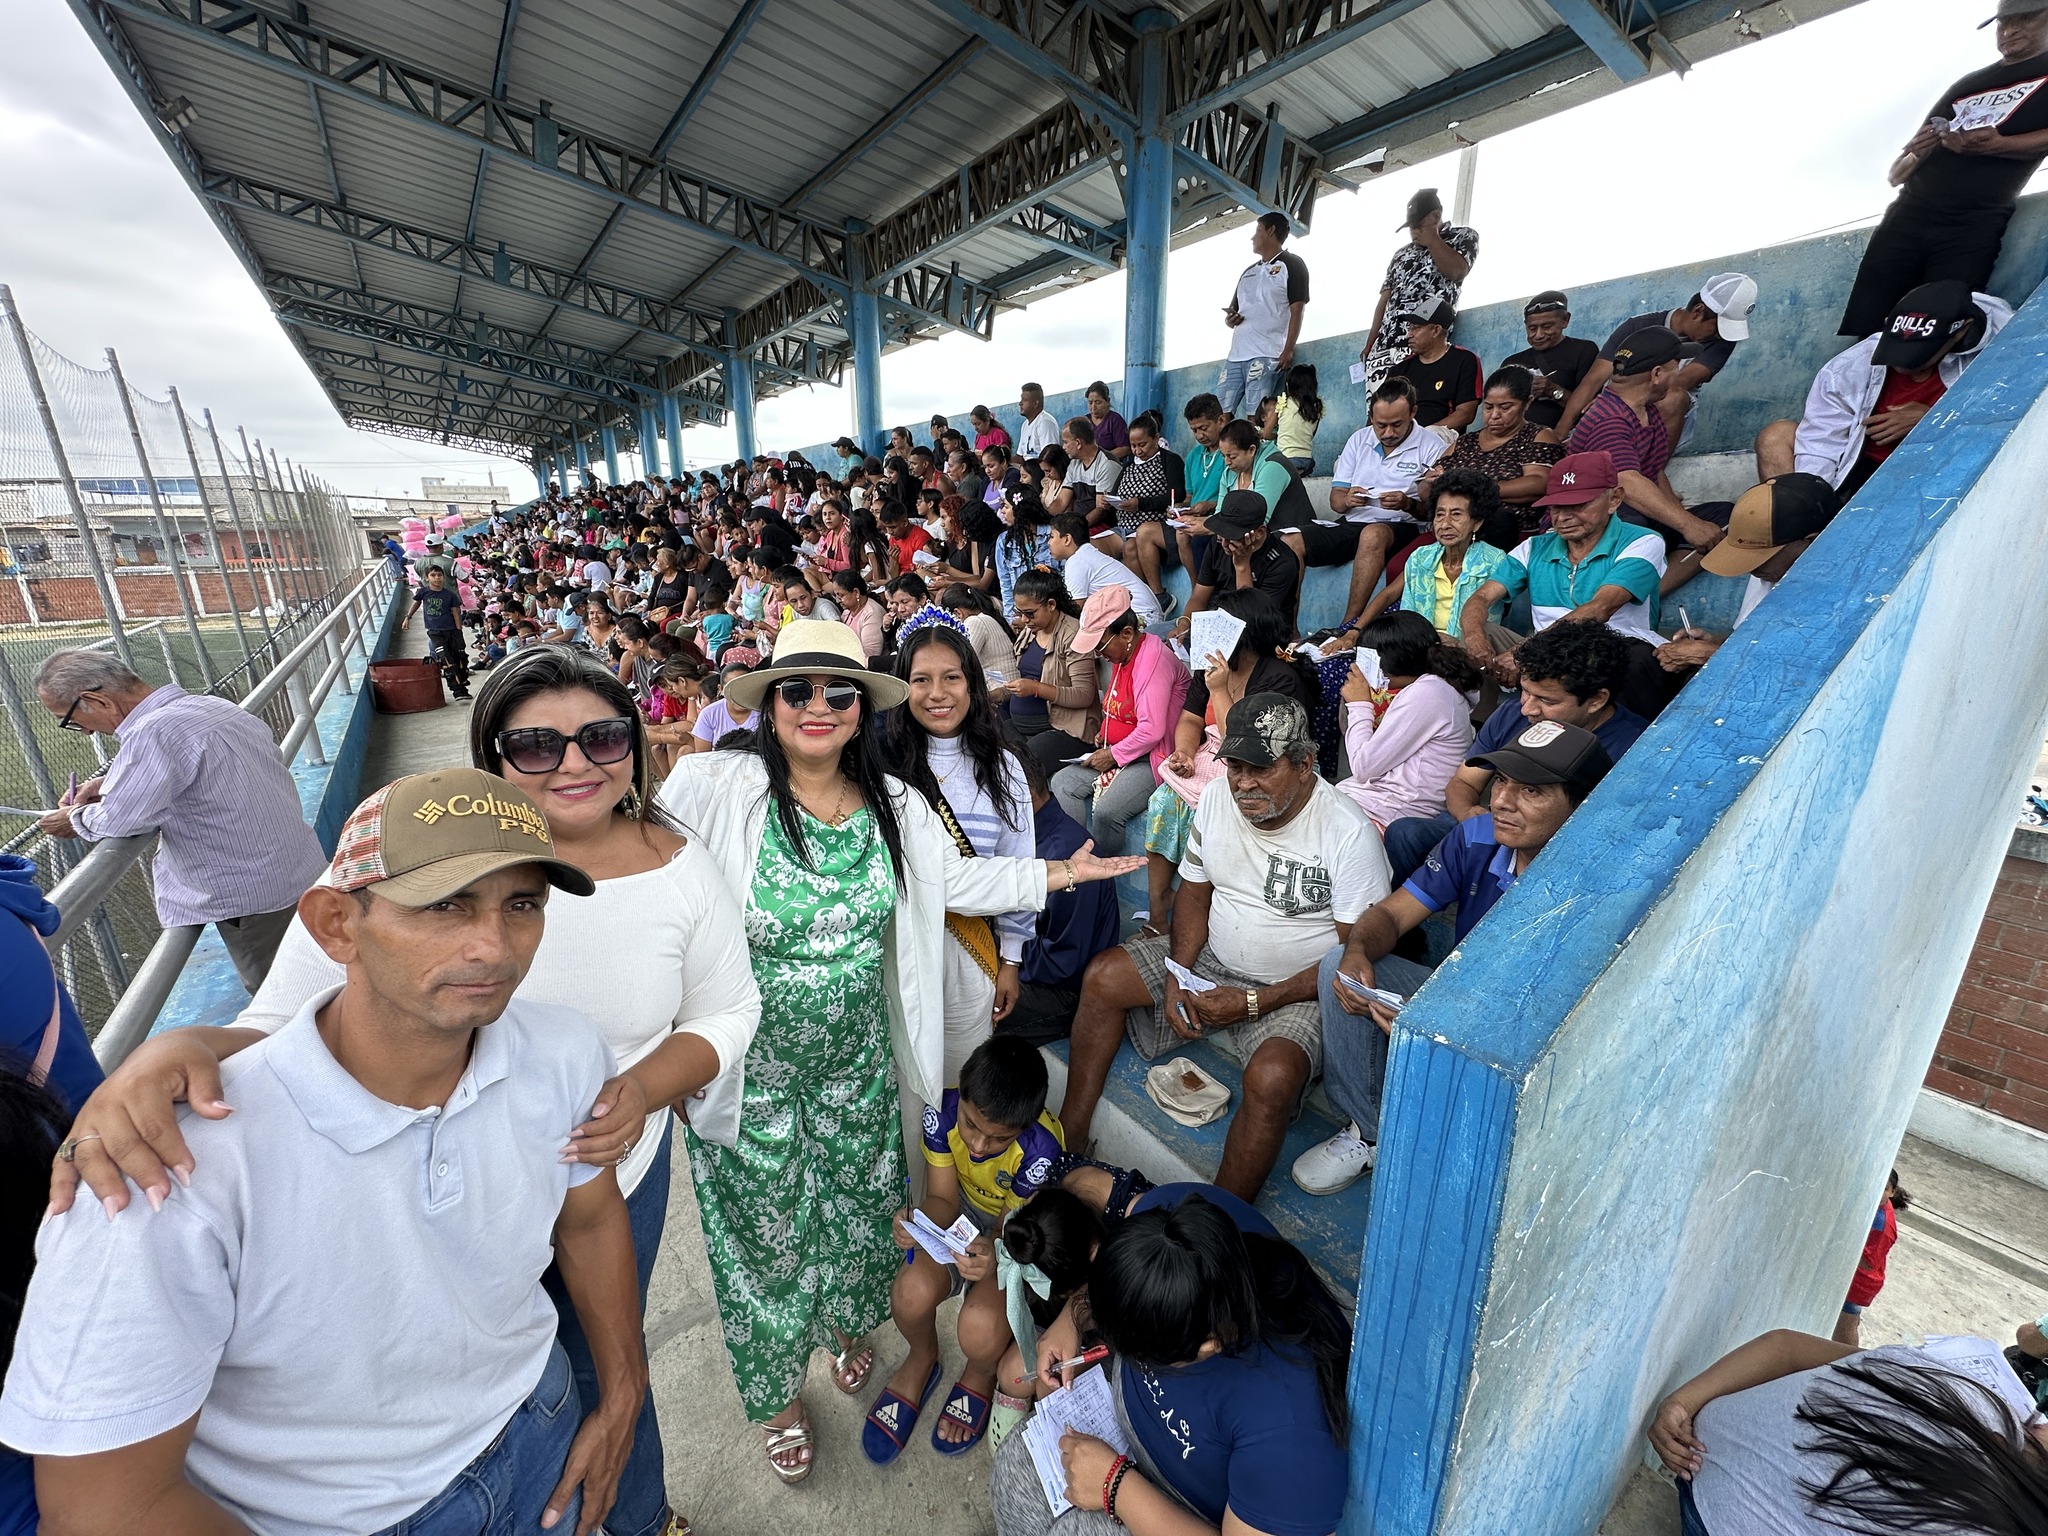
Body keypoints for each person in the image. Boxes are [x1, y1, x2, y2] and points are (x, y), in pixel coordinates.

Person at [56, 648, 759, 1536]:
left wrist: (632, 1091)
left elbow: (728, 1006)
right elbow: (280, 1017)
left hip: (609, 1163)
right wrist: (176, 1050)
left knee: (604, 1363)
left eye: (603, 737)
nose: (575, 763)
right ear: (492, 757)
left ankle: (639, 1514)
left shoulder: (676, 867)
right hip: (434, 1180)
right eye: (536, 745)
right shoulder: (396, 859)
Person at [2, 770, 647, 1536]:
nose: (493, 947)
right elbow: (106, 1508)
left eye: (522, 905)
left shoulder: (564, 1051)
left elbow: (588, 1217)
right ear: (336, 924)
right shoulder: (167, 1168)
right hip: (338, 1517)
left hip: (540, 1426)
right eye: (444, 904)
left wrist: (624, 1392)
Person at [655, 621, 1140, 1482]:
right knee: (763, 1240)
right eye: (797, 690)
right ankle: (779, 1396)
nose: (818, 706)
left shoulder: (895, 803)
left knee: (852, 1218)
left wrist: (1060, 874)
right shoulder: (711, 786)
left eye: (839, 691)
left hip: (857, 1065)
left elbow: (960, 881)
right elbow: (651, 896)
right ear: (768, 703)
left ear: (861, 706)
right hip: (748, 1072)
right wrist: (660, 1047)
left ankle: (842, 1329)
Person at [1060, 694, 1389, 1201]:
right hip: (1213, 957)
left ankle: (1218, 1217)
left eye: (1261, 768)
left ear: (1304, 764)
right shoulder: (1216, 798)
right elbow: (1194, 892)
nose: (1243, 783)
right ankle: (1070, 1140)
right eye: (1235, 766)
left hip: (1296, 988)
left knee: (1274, 1076)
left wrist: (1256, 1001)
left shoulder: (1348, 833)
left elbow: (1350, 960)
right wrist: (1177, 973)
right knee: (1103, 978)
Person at [1293, 721, 1612, 1194]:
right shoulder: (1477, 836)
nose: (1502, 801)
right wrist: (1358, 950)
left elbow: (1559, 1020)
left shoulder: (1600, 885)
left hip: (1536, 1037)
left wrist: (1441, 1024)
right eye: (1501, 781)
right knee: (1339, 963)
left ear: (1583, 804)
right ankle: (1371, 1130)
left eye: (1531, 791)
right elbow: (1392, 914)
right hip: (1459, 996)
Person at [989, 1185, 1352, 1536]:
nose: (1128, 1359)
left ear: (1210, 1344)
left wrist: (1116, 1486)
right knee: (1013, 1472)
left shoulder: (1290, 1434)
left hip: (1179, 1506)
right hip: (1119, 1435)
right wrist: (1072, 1318)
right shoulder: (1171, 1222)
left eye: (1142, 1355)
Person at [31, 650, 328, 994]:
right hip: (298, 870)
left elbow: (120, 818)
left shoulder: (152, 733)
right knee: (323, 972)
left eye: (71, 720)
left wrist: (72, 818)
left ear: (98, 701)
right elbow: (193, 770)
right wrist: (111, 782)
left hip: (253, 898)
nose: (83, 732)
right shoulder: (212, 707)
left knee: (287, 995)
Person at [869, 1036, 1066, 1464]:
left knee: (980, 1328)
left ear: (1025, 1128)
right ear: (961, 1090)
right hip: (958, 1211)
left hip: (1014, 1234)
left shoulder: (1041, 1150)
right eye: (971, 1125)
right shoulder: (942, 1111)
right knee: (908, 1293)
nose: (977, 1146)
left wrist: (994, 1256)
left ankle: (979, 1372)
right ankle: (922, 1356)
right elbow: (942, 1198)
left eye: (998, 1139)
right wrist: (917, 1222)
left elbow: (1011, 1231)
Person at [1649, 1329, 2047, 1535]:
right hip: (1711, 1505)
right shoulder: (1970, 1402)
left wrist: (1682, 1403)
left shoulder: (1969, 1393)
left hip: (1704, 1454)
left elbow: (1785, 1346)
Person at [1840, 0, 2048, 341]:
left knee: (1942, 329)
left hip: (1972, 224)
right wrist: (1917, 153)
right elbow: (1895, 174)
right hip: (1906, 217)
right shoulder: (1969, 83)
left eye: (2024, 19)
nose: (2009, 30)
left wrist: (2000, 145)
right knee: (1872, 329)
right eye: (2002, 23)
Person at [889, 613, 1040, 1080]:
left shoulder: (1004, 769)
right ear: (903, 687)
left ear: (972, 683)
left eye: (951, 677)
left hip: (970, 955)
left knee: (956, 1077)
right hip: (895, 951)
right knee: (900, 1079)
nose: (937, 693)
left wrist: (1011, 960)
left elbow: (1017, 863)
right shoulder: (881, 764)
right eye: (921, 679)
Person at [1381, 617, 1645, 882]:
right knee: (1406, 833)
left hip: (1555, 851)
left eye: (1546, 700)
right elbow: (1464, 782)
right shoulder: (1511, 715)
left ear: (1596, 700)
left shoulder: (1635, 749)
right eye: (1525, 691)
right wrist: (1468, 813)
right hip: (1496, 826)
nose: (1527, 709)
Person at [1142, 590, 1312, 931]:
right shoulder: (1212, 666)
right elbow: (1190, 719)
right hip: (1213, 756)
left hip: (1264, 763)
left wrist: (1219, 690)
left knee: (1216, 810)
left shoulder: (1278, 677)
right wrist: (1184, 752)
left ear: (1243, 635)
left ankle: (1209, 907)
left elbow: (1244, 743)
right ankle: (1158, 910)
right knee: (1162, 800)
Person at [1461, 454, 1679, 718]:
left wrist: (1524, 653)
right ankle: (1481, 723)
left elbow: (1600, 609)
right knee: (1475, 635)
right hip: (1543, 649)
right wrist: (1475, 639)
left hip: (1610, 647)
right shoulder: (1534, 547)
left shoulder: (1643, 541)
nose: (1563, 517)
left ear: (1614, 499)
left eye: (1578, 505)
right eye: (1556, 507)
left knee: (1630, 659)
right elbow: (1481, 598)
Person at [1757, 281, 2013, 501]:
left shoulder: (2002, 353)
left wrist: (1933, 417)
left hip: (1933, 471)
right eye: (1896, 353)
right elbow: (1822, 441)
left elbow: (2007, 421)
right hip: (1859, 470)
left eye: (1917, 359)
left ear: (1961, 332)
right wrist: (1812, 503)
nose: (1902, 366)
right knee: (1776, 435)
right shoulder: (1849, 368)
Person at [1565, 327, 1731, 562]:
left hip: (1628, 510)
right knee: (1630, 520)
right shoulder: (1610, 419)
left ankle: (1657, 583)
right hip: (1589, 522)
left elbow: (1654, 472)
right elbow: (1626, 480)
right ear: (1657, 374)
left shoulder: (1648, 411)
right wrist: (1687, 525)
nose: (1678, 373)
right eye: (1676, 365)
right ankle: (1622, 583)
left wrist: (1683, 518)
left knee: (1721, 517)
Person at [1050, 586, 1189, 857]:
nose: (1099, 653)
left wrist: (1112, 755)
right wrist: (1105, 731)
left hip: (1154, 757)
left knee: (1107, 812)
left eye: (1100, 645)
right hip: (1121, 751)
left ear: (1126, 633)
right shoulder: (1123, 653)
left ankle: (1101, 866)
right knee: (1063, 783)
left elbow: (1152, 730)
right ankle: (1077, 858)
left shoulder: (1152, 660)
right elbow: (1116, 702)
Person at [1655, 474, 1843, 673]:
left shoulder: (1839, 590)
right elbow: (1755, 641)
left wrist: (1709, 654)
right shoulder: (1770, 573)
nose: (1752, 569)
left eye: (1762, 557)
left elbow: (1805, 666)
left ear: (1811, 542)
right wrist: (1715, 643)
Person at [1001, 754, 1123, 1047]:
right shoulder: (1021, 835)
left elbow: (1061, 964)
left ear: (1024, 795)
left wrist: (1000, 953)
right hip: (1021, 962)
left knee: (962, 1001)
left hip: (1058, 993)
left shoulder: (1067, 854)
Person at [1558, 277, 1759, 452]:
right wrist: (1560, 433)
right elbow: (1593, 381)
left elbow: (1679, 381)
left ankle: (1651, 470)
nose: (1720, 335)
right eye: (1717, 328)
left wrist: (1614, 401)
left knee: (1673, 396)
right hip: (1618, 410)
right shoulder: (1637, 327)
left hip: (1661, 412)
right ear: (1698, 312)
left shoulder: (1722, 342)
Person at [1330, 612, 1479, 832]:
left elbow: (1363, 767)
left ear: (1389, 664)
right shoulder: (1434, 686)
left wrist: (1359, 704)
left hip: (1393, 810)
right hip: (1381, 799)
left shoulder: (1428, 693)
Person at [1323, 379, 1450, 633]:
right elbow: (1335, 500)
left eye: (1396, 424)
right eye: (1380, 425)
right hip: (1353, 520)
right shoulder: (1359, 439)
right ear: (1371, 417)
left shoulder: (1433, 446)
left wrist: (1407, 503)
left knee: (1373, 534)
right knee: (1290, 540)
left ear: (1413, 412)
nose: (1388, 432)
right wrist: (1347, 500)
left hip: (1401, 526)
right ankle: (1286, 633)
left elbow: (1435, 511)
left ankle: (1348, 624)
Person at [1344, 468, 1518, 649]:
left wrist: (1455, 644)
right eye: (1440, 514)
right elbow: (1389, 594)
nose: (1445, 524)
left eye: (1456, 514)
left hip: (1468, 652)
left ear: (1477, 522)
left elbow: (1487, 623)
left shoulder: (1493, 561)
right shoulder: (1422, 557)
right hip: (1418, 647)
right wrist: (1354, 631)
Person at [1420, 364, 1567, 549]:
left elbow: (1539, 483)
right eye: (1488, 407)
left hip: (1508, 535)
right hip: (1450, 531)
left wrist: (1474, 490)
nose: (1495, 415)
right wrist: (1428, 482)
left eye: (1505, 407)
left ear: (1527, 403)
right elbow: (1426, 491)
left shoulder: (1537, 436)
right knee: (1402, 562)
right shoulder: (1465, 442)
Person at [1362, 187, 1479, 390]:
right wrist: (1371, 343)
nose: (1413, 232)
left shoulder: (1463, 236)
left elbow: (1457, 271)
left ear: (1436, 217)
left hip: (1423, 347)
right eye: (1410, 226)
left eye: (1418, 225)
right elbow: (1384, 299)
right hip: (1384, 347)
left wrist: (1432, 239)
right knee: (1379, 407)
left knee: (1414, 404)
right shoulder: (1401, 254)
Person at [1006, 569, 1103, 777]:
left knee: (1023, 766)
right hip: (1027, 726)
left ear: (1051, 605)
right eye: (1019, 612)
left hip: (1066, 730)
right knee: (989, 741)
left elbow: (1084, 695)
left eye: (1030, 613)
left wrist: (1036, 689)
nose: (1024, 619)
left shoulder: (1072, 634)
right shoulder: (1031, 630)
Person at [1219, 210, 1310, 414]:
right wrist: (1231, 319)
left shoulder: (1292, 264)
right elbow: (1232, 315)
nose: (1253, 237)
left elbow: (1297, 309)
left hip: (1267, 354)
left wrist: (1288, 349)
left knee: (1257, 416)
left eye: (1258, 230)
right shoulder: (1247, 272)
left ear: (1271, 230)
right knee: (1220, 416)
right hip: (1236, 355)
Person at [1093, 411, 1183, 610]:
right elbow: (1115, 493)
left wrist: (1141, 504)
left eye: (1142, 444)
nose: (1137, 451)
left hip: (1152, 525)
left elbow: (1176, 495)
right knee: (1091, 546)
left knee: (1130, 547)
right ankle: (1113, 600)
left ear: (1156, 439)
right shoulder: (1128, 466)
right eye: (1133, 446)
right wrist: (1109, 501)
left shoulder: (1169, 460)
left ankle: (1154, 598)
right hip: (1123, 527)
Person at [1183, 487, 1303, 632]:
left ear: (1259, 532)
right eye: (1221, 532)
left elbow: (1251, 621)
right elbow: (1199, 596)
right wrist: (1184, 624)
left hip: (1261, 634)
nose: (1224, 542)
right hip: (1217, 625)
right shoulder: (1218, 543)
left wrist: (1242, 566)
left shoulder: (1282, 562)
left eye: (1232, 535)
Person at [1503, 290, 1602, 433]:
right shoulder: (1512, 362)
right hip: (1517, 440)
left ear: (1565, 320)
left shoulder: (1583, 351)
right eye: (1532, 328)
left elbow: (1590, 408)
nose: (1538, 335)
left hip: (1565, 438)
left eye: (1547, 327)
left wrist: (1553, 391)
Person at [1385, 297, 1483, 439]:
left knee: (1433, 433)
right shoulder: (1400, 370)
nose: (1409, 334)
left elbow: (1466, 413)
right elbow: (1381, 407)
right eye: (1409, 327)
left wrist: (1422, 436)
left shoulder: (1464, 360)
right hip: (1399, 436)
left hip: (1440, 438)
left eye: (1416, 327)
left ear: (1436, 330)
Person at [1836, 1168, 1909, 1347]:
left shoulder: (1882, 1225)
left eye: (1884, 1188)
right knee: (1847, 1323)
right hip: (1856, 1279)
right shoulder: (1877, 1208)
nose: (1878, 1191)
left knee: (1844, 1330)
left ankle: (1848, 1357)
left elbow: (1868, 1263)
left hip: (1859, 1283)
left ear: (1892, 1192)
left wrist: (1840, 1245)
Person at [1046, 512, 1161, 626]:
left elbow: (1075, 610)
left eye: (1051, 537)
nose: (1048, 543)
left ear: (1067, 539)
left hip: (1141, 617)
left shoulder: (1077, 561)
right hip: (1146, 613)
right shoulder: (1084, 554)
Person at [417, 562, 475, 698]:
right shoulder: (424, 593)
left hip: (452, 631)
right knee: (446, 660)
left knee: (460, 657)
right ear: (426, 578)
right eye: (433, 575)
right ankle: (457, 690)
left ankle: (462, 680)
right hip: (435, 632)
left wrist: (459, 632)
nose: (437, 578)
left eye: (439, 575)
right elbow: (416, 602)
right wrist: (408, 617)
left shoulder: (449, 595)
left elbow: (456, 614)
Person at [1060, 417, 1124, 521]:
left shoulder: (1107, 464)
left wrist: (1078, 527)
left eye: (1066, 442)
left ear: (1078, 443)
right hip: (1078, 522)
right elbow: (1061, 501)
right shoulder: (1074, 463)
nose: (1063, 447)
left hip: (1101, 525)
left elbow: (1100, 511)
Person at [1269, 361, 1324, 474]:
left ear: (1289, 385)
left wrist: (1279, 435)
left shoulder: (1283, 403)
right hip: (1307, 460)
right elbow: (1311, 434)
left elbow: (1266, 434)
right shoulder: (1317, 406)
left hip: (1286, 460)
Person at [832, 566, 884, 658]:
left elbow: (870, 655)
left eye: (841, 595)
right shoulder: (847, 612)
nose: (837, 600)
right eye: (836, 596)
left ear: (856, 592)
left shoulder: (872, 614)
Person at [1084, 381, 1130, 462]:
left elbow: (1125, 449)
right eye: (1090, 403)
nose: (1093, 407)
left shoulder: (1115, 420)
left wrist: (1100, 458)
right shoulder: (1085, 421)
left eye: (1098, 402)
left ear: (1107, 401)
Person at [1017, 382, 1059, 459]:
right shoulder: (1025, 425)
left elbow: (1049, 457)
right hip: (1027, 466)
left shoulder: (1045, 422)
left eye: (1025, 400)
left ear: (1035, 404)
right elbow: (1020, 456)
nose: (1020, 403)